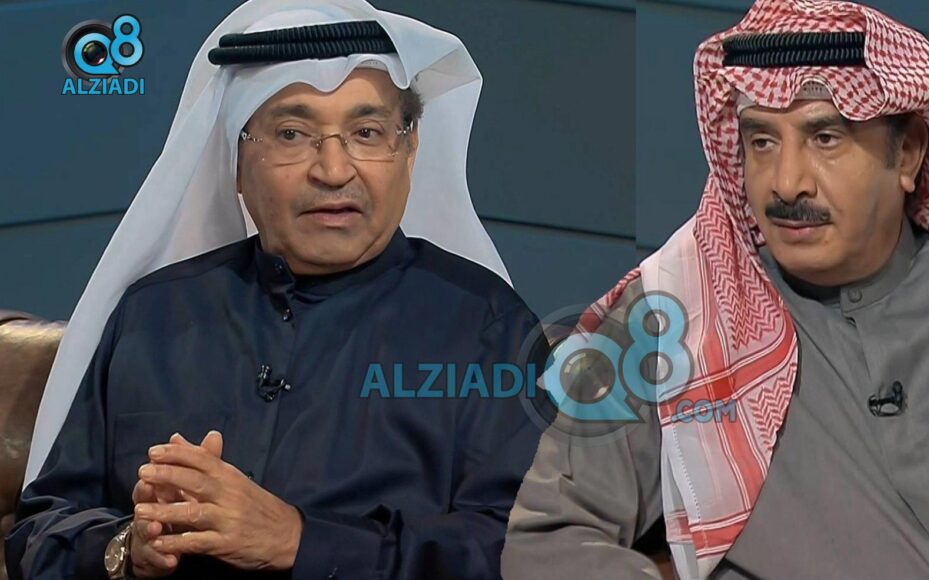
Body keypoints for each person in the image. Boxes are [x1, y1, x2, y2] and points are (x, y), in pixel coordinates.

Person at [502, 0, 929, 578]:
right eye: (761, 142)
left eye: (825, 138)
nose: (786, 183)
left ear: (908, 153)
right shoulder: (670, 313)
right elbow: (549, 539)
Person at [6, 1, 548, 578]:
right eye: (293, 134)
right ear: (238, 161)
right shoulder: (153, 315)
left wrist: (298, 541)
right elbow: (40, 530)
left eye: (366, 133)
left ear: (409, 151)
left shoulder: (488, 328)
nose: (333, 170)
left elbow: (525, 548)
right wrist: (126, 549)